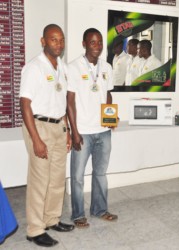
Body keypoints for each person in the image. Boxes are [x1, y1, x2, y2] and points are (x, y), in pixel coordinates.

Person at [20, 24, 74, 247]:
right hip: (39, 126)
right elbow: (25, 105)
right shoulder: (34, 67)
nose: (58, 44)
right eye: (53, 40)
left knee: (57, 179)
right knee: (40, 180)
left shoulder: (62, 66)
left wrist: (68, 130)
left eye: (60, 40)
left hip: (59, 126)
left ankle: (52, 219)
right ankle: (34, 229)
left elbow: (62, 102)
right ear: (43, 41)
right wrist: (36, 139)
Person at [67, 28, 117, 229]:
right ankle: (78, 214)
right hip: (83, 132)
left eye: (99, 42)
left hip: (103, 131)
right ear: (84, 44)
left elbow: (108, 94)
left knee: (100, 173)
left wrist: (110, 116)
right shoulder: (73, 67)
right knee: (78, 176)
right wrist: (74, 131)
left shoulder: (106, 67)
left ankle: (99, 209)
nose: (97, 46)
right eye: (92, 42)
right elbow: (69, 102)